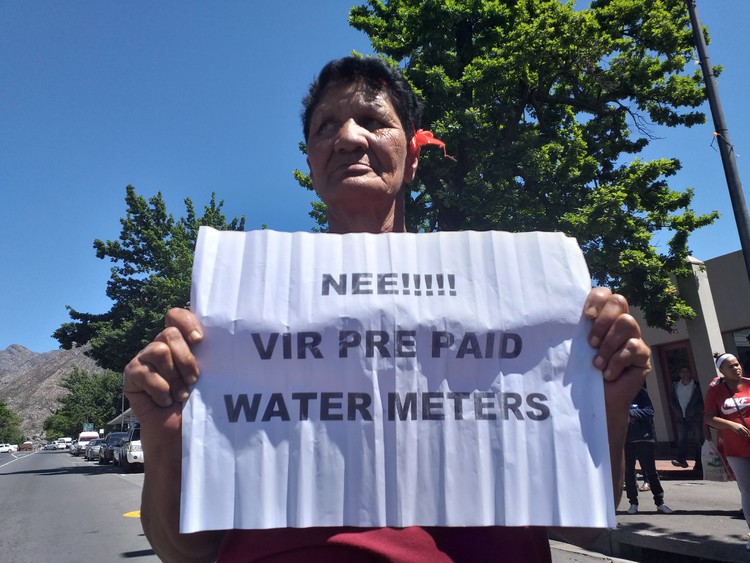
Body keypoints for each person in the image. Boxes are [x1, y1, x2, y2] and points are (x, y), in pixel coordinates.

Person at [123, 56, 652, 563]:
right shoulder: (232, 325)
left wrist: (605, 401)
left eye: (373, 120)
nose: (349, 137)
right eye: (326, 127)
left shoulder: (513, 300)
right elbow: (183, 551)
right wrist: (164, 434)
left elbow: (582, 526)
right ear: (310, 162)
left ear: (413, 156)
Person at [704, 353, 750, 550]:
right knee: (747, 491)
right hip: (736, 449)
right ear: (721, 371)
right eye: (730, 366)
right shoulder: (715, 391)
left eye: (737, 364)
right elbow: (708, 418)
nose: (736, 368)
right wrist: (731, 425)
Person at [624, 385, 674, 514]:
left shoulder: (640, 393)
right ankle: (633, 503)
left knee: (651, 471)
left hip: (643, 438)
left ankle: (660, 502)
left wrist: (629, 413)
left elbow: (649, 411)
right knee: (629, 472)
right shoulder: (618, 394)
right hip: (626, 440)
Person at [670, 365, 704, 469]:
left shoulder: (696, 386)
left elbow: (701, 402)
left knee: (698, 439)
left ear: (690, 373)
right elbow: (672, 401)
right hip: (681, 417)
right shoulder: (675, 386)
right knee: (682, 439)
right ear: (679, 374)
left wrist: (695, 411)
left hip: (694, 417)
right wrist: (677, 411)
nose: (685, 374)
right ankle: (682, 459)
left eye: (687, 372)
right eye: (682, 372)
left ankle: (699, 462)